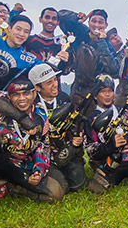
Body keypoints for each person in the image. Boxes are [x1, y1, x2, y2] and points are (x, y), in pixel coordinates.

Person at [0, 77, 64, 217]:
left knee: (55, 194)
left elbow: (43, 146)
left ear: (34, 94)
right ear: (9, 97)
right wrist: (8, 135)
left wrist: (39, 171)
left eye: (26, 93)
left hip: (21, 166)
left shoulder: (41, 115)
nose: (22, 99)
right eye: (16, 95)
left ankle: (11, 187)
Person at [29, 64, 87, 194]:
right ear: (37, 87)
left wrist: (76, 139)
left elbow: (72, 125)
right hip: (40, 154)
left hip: (62, 150)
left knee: (78, 184)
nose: (55, 84)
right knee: (60, 188)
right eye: (49, 83)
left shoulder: (63, 98)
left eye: (55, 80)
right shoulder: (31, 104)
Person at [0, 14, 41, 90]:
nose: (21, 34)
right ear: (9, 28)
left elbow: (47, 69)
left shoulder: (28, 60)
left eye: (26, 31)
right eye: (18, 29)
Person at [25, 7, 73, 73]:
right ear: (40, 19)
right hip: (31, 78)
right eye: (47, 17)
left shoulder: (62, 44)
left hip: (54, 79)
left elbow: (65, 71)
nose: (50, 21)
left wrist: (66, 62)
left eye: (54, 18)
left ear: (58, 22)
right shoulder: (29, 40)